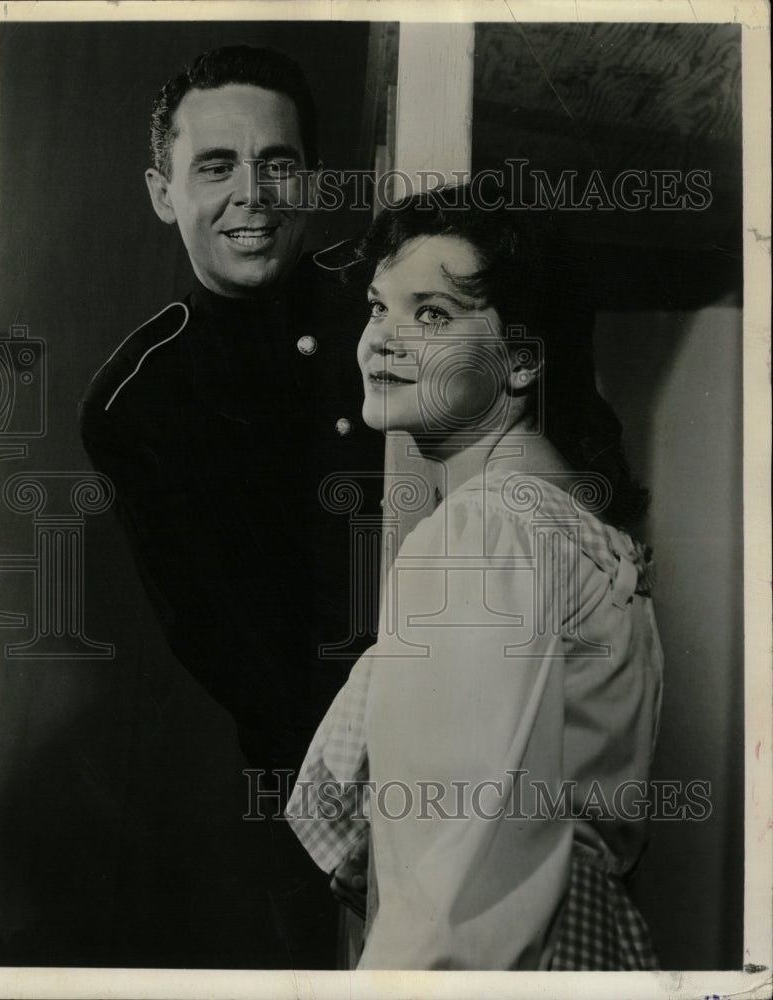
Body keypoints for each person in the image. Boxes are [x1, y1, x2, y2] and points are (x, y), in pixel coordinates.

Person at [286, 185, 663, 970]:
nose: (382, 339)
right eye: (378, 307)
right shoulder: (571, 526)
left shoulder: (483, 533)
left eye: (430, 315)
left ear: (521, 362)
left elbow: (456, 873)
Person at [79, 45, 383, 966]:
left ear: (313, 182)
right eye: (215, 167)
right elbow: (236, 646)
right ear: (162, 192)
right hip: (318, 786)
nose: (253, 194)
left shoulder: (383, 296)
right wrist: (350, 806)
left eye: (278, 164)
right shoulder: (139, 402)